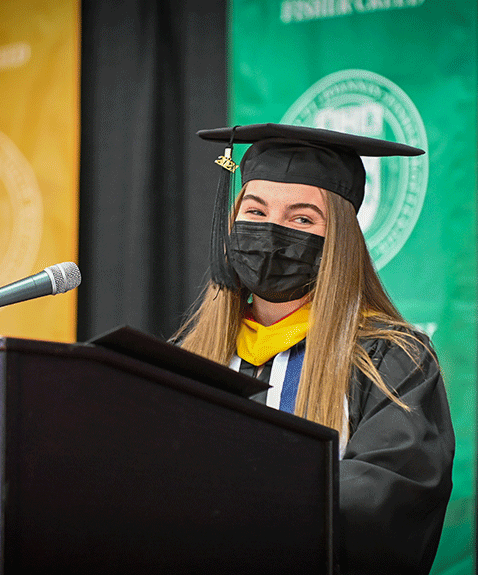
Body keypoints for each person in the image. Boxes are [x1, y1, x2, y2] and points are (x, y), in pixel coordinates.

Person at [175, 123, 455, 574]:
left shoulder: (390, 359)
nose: (271, 232)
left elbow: (389, 498)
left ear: (338, 241)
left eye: (302, 219)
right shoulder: (190, 356)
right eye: (255, 211)